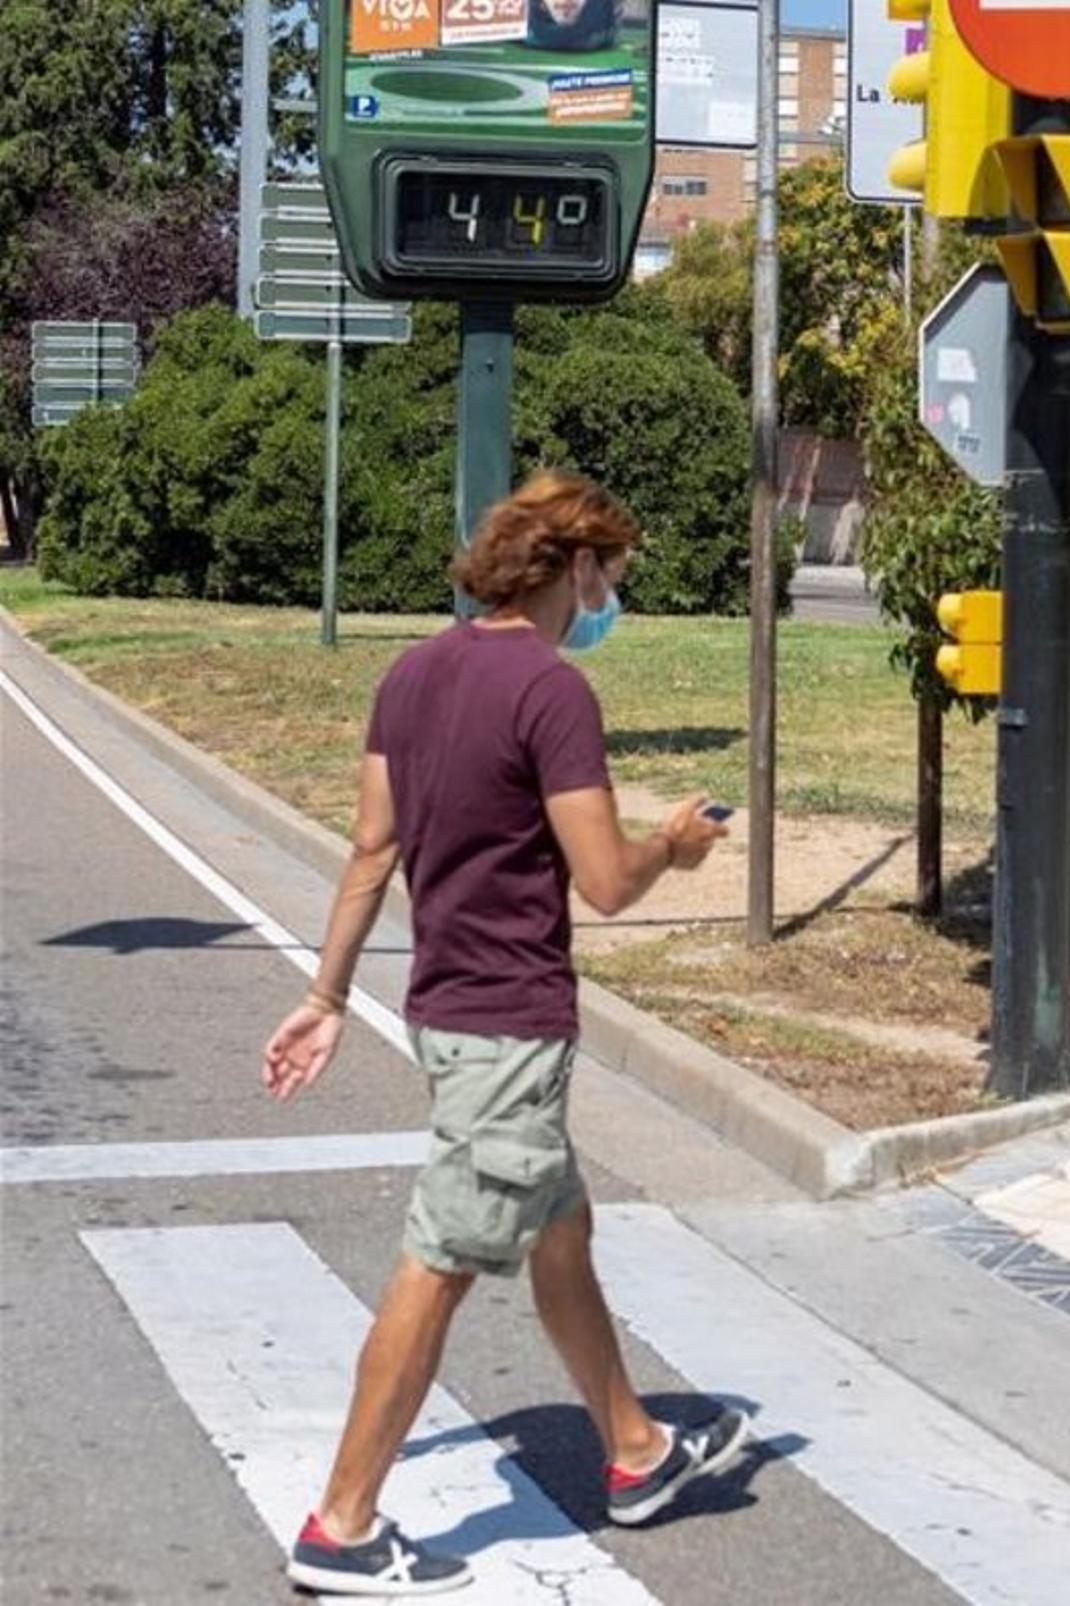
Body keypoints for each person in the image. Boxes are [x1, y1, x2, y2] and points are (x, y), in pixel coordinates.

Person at [262, 471, 746, 1598]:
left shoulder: (411, 673)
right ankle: (342, 1523)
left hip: (442, 1008)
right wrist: (674, 844)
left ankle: (635, 1450)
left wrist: (328, 997)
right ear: (572, 568)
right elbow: (607, 882)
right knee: (438, 1264)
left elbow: (372, 851)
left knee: (559, 1228)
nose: (608, 602)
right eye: (609, 580)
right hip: (509, 1022)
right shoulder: (550, 690)